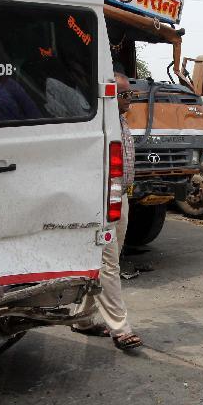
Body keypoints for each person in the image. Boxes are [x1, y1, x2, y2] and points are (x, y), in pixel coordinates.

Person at [70, 66, 142, 350]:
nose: (130, 99)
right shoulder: (95, 124)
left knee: (103, 264)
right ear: (109, 95)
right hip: (100, 200)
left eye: (130, 93)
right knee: (108, 263)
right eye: (124, 94)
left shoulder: (120, 122)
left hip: (119, 196)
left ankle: (82, 319)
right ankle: (121, 328)